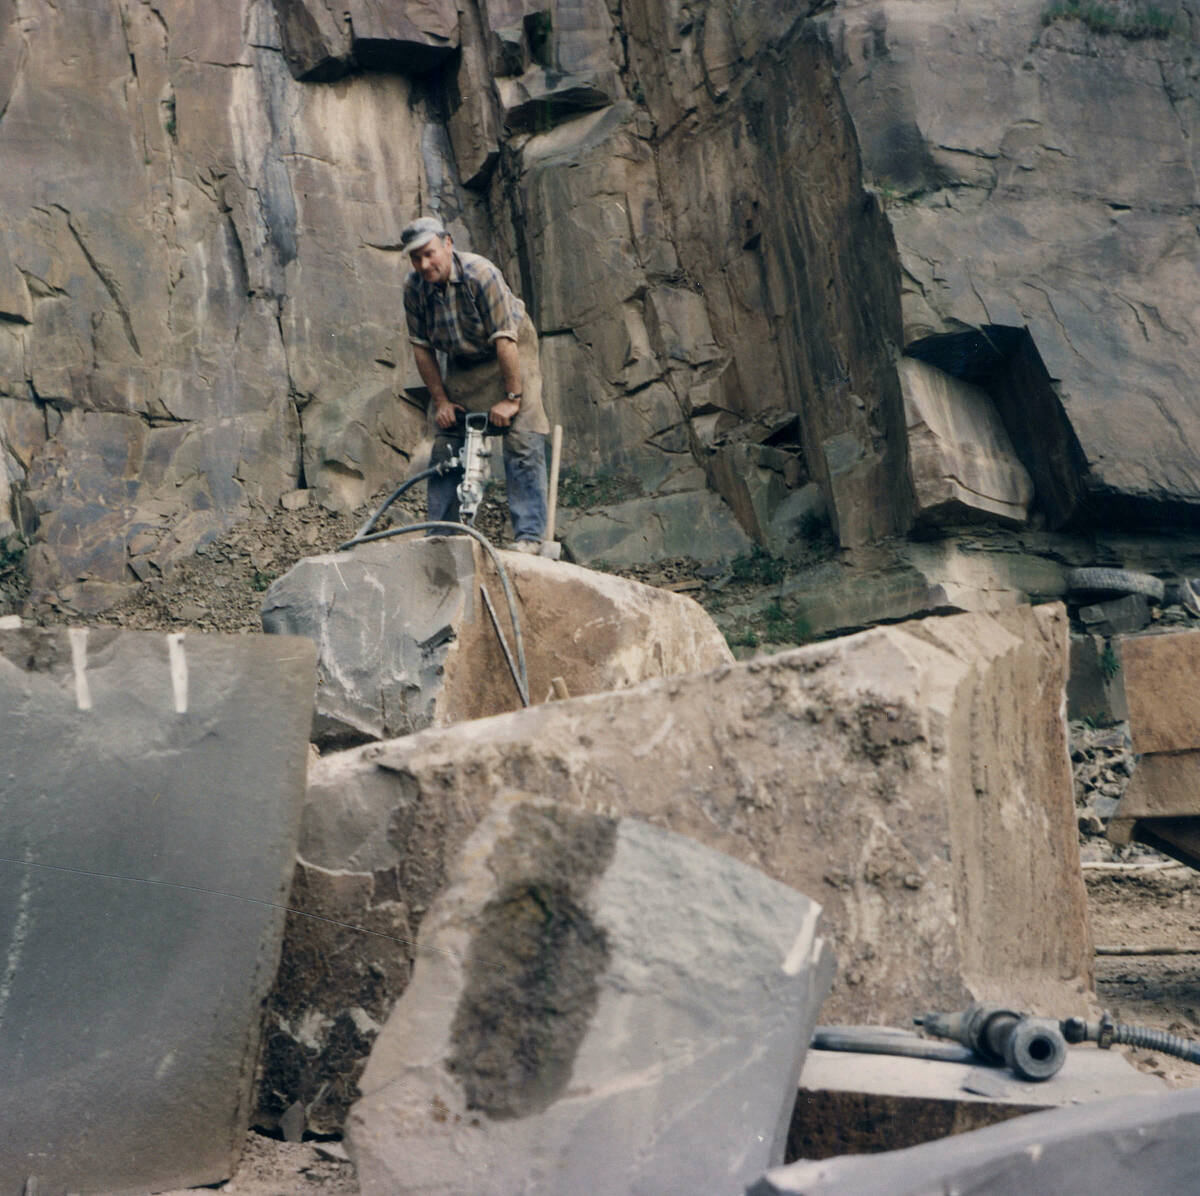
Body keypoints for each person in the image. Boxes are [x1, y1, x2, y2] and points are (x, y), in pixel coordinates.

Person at [400, 215, 550, 552]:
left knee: (523, 437)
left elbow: (506, 342)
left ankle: (529, 537)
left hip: (510, 349)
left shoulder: (481, 274)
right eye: (416, 258)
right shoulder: (413, 288)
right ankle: (442, 535)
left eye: (430, 253)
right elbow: (422, 350)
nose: (424, 264)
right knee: (447, 438)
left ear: (448, 244)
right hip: (464, 360)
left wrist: (512, 398)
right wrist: (440, 401)